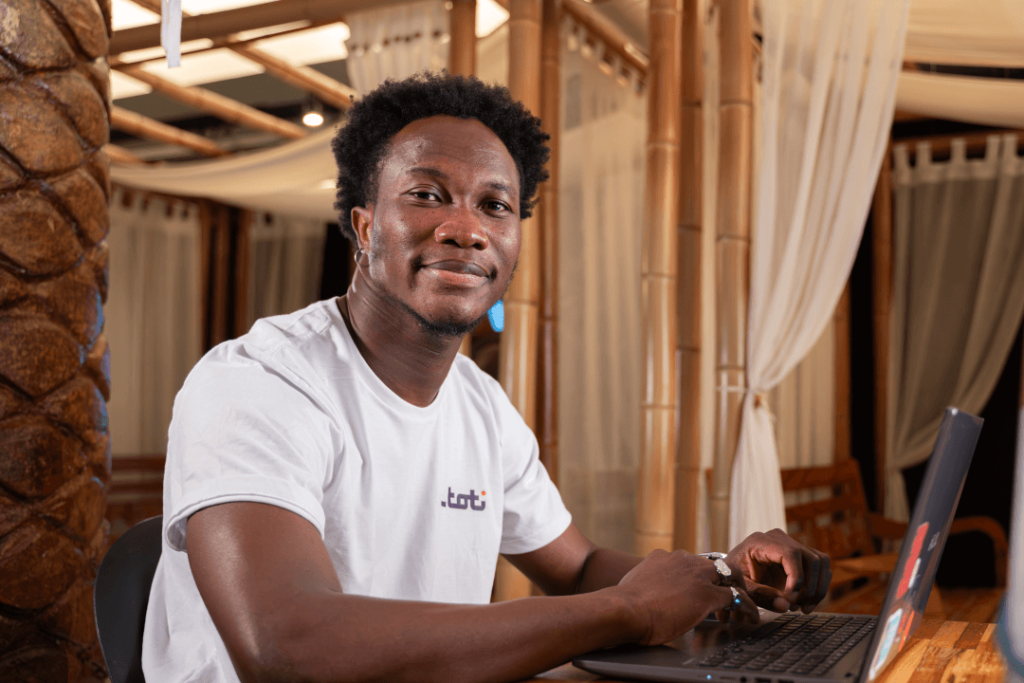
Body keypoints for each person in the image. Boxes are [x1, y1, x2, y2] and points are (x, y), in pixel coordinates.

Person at [142, 73, 832, 683]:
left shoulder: (481, 406)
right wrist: (626, 609)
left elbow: (580, 564)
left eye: (495, 205)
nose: (464, 228)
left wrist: (723, 575)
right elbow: (286, 644)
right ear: (364, 226)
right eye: (426, 194)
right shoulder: (258, 383)